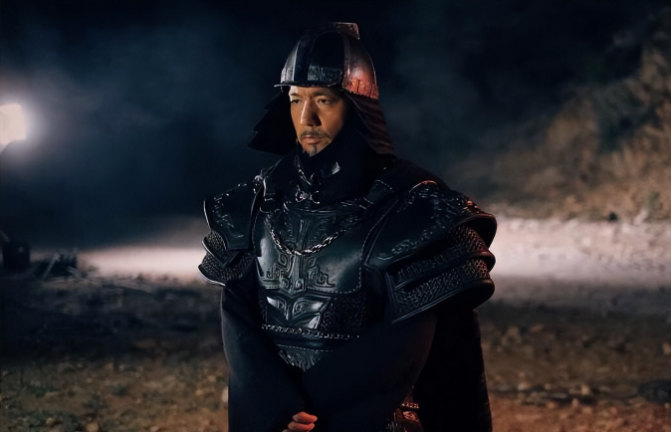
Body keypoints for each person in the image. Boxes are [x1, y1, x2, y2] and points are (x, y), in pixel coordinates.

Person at [199, 22, 497, 432]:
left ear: (356, 106)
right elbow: (238, 318)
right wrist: (274, 406)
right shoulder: (256, 202)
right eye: (296, 99)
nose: (307, 117)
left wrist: (311, 410)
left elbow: (405, 344)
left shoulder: (413, 205)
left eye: (323, 99)